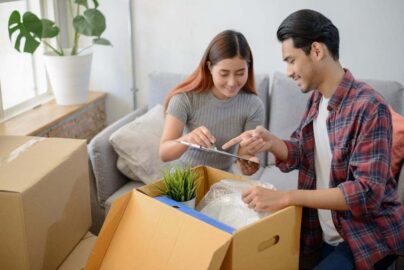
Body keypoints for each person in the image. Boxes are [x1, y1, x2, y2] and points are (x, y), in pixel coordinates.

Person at [222, 9, 404, 270]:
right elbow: (302, 151)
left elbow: (366, 193)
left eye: (291, 60)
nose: (288, 71)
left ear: (316, 51)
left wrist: (288, 197)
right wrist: (271, 141)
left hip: (363, 237)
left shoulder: (370, 107)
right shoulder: (317, 100)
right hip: (320, 234)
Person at [159, 29, 264, 173]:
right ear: (210, 67)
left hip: (221, 182)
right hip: (182, 182)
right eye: (224, 73)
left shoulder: (253, 105)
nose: (232, 83)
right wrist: (187, 139)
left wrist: (249, 164)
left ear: (249, 68)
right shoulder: (185, 99)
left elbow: (243, 159)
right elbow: (164, 154)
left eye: (240, 73)